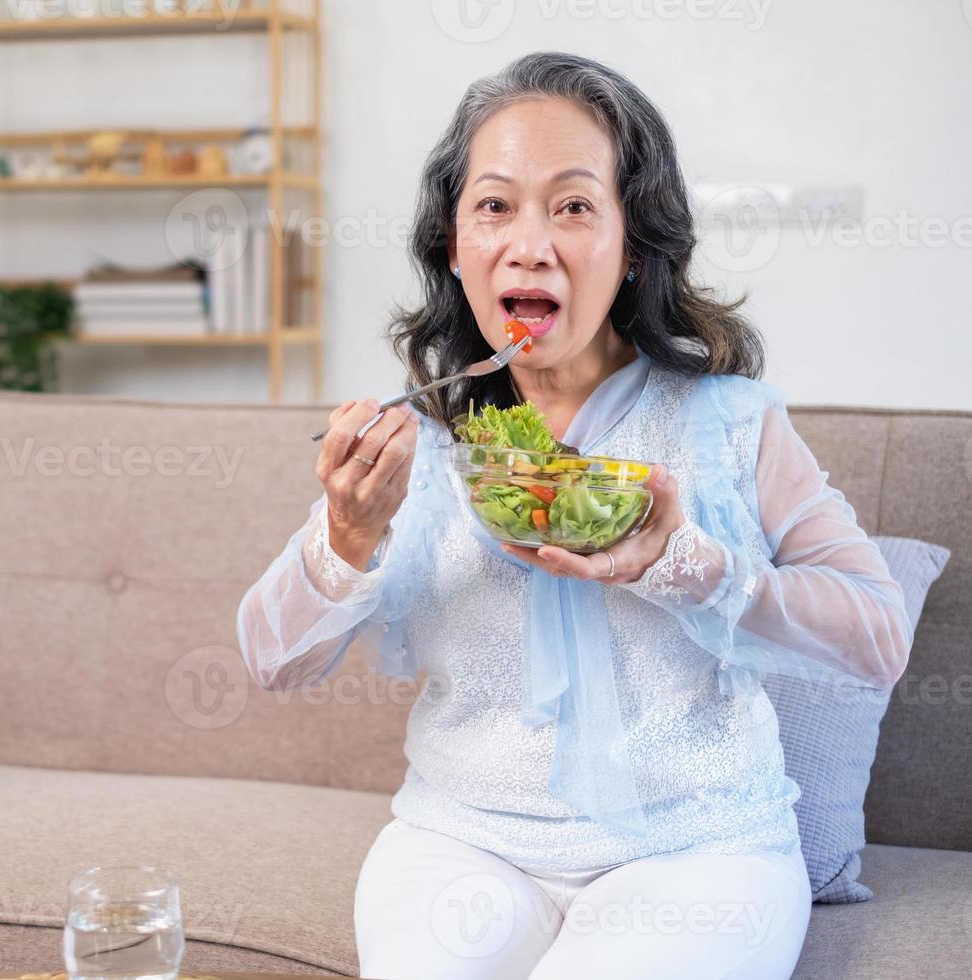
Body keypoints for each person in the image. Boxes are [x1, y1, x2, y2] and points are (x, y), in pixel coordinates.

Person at [235, 51, 911, 979]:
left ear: (634, 245)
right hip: (460, 842)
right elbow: (271, 660)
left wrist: (687, 564)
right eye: (495, 206)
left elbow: (876, 637)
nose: (531, 243)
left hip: (699, 852)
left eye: (575, 206)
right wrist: (346, 535)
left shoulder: (728, 423)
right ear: (453, 246)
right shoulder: (421, 438)